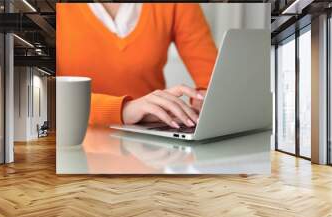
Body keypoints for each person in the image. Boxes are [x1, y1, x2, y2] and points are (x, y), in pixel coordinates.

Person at [57, 3, 217, 128]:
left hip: (149, 146)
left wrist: (205, 101)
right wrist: (123, 110)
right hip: (68, 144)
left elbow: (216, 80)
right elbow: (43, 98)